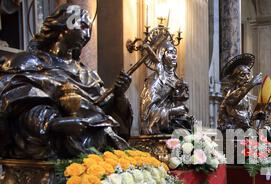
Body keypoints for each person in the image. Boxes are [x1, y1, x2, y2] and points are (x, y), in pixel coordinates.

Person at [0, 4, 132, 159]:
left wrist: (118, 96)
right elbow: (11, 101)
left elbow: (105, 111)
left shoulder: (88, 74)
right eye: (82, 25)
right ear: (63, 25)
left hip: (97, 149)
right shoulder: (31, 61)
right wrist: (55, 123)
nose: (87, 33)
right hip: (51, 141)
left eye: (89, 28)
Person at [140, 37, 193, 135]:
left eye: (175, 53)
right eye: (170, 52)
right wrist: (171, 111)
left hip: (174, 123)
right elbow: (146, 111)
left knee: (189, 125)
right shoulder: (155, 80)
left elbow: (178, 101)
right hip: (159, 126)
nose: (174, 56)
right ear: (161, 55)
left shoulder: (176, 80)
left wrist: (182, 93)